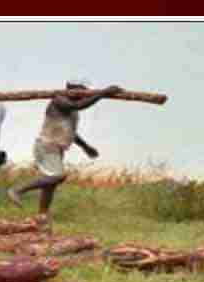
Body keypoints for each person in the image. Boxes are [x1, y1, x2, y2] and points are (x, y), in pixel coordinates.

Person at [8, 78, 122, 221]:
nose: (85, 94)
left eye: (86, 91)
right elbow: (78, 105)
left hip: (57, 147)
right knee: (57, 177)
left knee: (50, 185)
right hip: (46, 145)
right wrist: (103, 93)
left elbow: (70, 132)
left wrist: (85, 147)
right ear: (71, 88)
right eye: (82, 90)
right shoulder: (59, 100)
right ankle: (18, 190)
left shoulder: (72, 109)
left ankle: (41, 216)